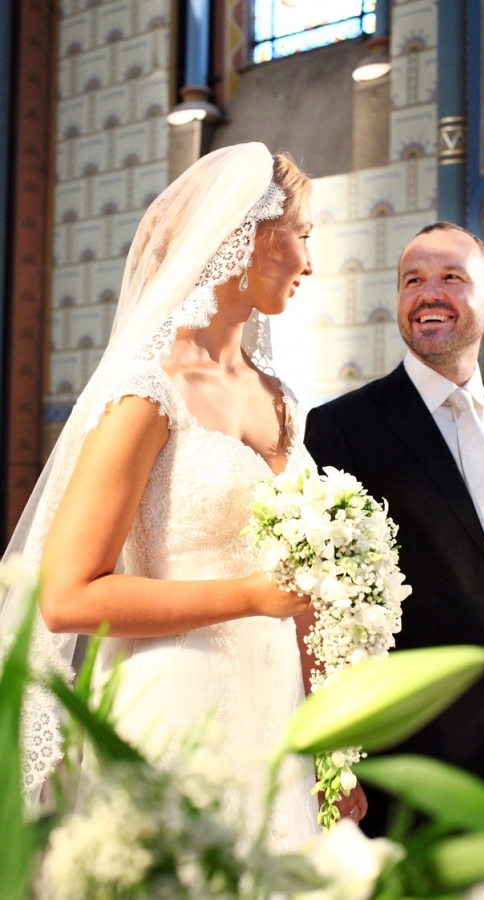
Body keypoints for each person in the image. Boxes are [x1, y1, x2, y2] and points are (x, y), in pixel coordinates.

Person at [0, 143, 365, 848]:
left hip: (277, 711)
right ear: (251, 234)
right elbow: (66, 596)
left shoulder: (282, 399)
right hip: (172, 707)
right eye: (304, 234)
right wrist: (250, 596)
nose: (311, 263)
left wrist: (330, 752)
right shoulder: (147, 393)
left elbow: (299, 588)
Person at [305, 222, 484, 835]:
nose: (428, 293)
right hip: (404, 762)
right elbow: (322, 613)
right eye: (412, 280)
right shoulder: (342, 429)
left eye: (451, 277)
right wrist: (337, 760)